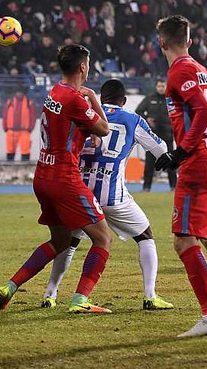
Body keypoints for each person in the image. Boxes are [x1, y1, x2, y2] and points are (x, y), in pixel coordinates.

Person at [0, 44, 113, 314]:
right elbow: (104, 129)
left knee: (60, 241)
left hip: (43, 175)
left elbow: (68, 125)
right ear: (83, 67)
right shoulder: (77, 99)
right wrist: (93, 97)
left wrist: (83, 130)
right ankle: (80, 299)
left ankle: (10, 287)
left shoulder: (54, 92)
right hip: (64, 178)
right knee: (103, 238)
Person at [41, 79, 174, 311]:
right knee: (145, 236)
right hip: (114, 196)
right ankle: (150, 296)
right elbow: (161, 150)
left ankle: (50, 294)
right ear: (123, 100)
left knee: (70, 242)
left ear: (101, 99)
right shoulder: (133, 120)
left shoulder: (85, 112)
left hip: (79, 192)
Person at [154, 15, 207, 337]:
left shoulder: (180, 70)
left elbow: (204, 112)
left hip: (198, 161)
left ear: (161, 43)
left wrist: (182, 150)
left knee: (183, 240)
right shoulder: (201, 70)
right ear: (189, 41)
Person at [135, 78, 176, 191]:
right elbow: (138, 111)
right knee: (149, 164)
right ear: (156, 87)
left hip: (167, 135)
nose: (161, 88)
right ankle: (146, 188)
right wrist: (146, 119)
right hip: (153, 137)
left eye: (163, 86)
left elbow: (178, 115)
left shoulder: (171, 100)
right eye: (159, 86)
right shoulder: (149, 98)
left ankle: (174, 187)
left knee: (171, 163)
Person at [2, 86, 37, 161]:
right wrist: (5, 127)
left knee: (25, 150)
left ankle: (25, 167)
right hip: (11, 130)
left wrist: (30, 128)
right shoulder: (10, 101)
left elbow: (33, 116)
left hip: (24, 131)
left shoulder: (29, 102)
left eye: (21, 92)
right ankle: (9, 166)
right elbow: (5, 115)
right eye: (18, 92)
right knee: (10, 150)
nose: (19, 94)